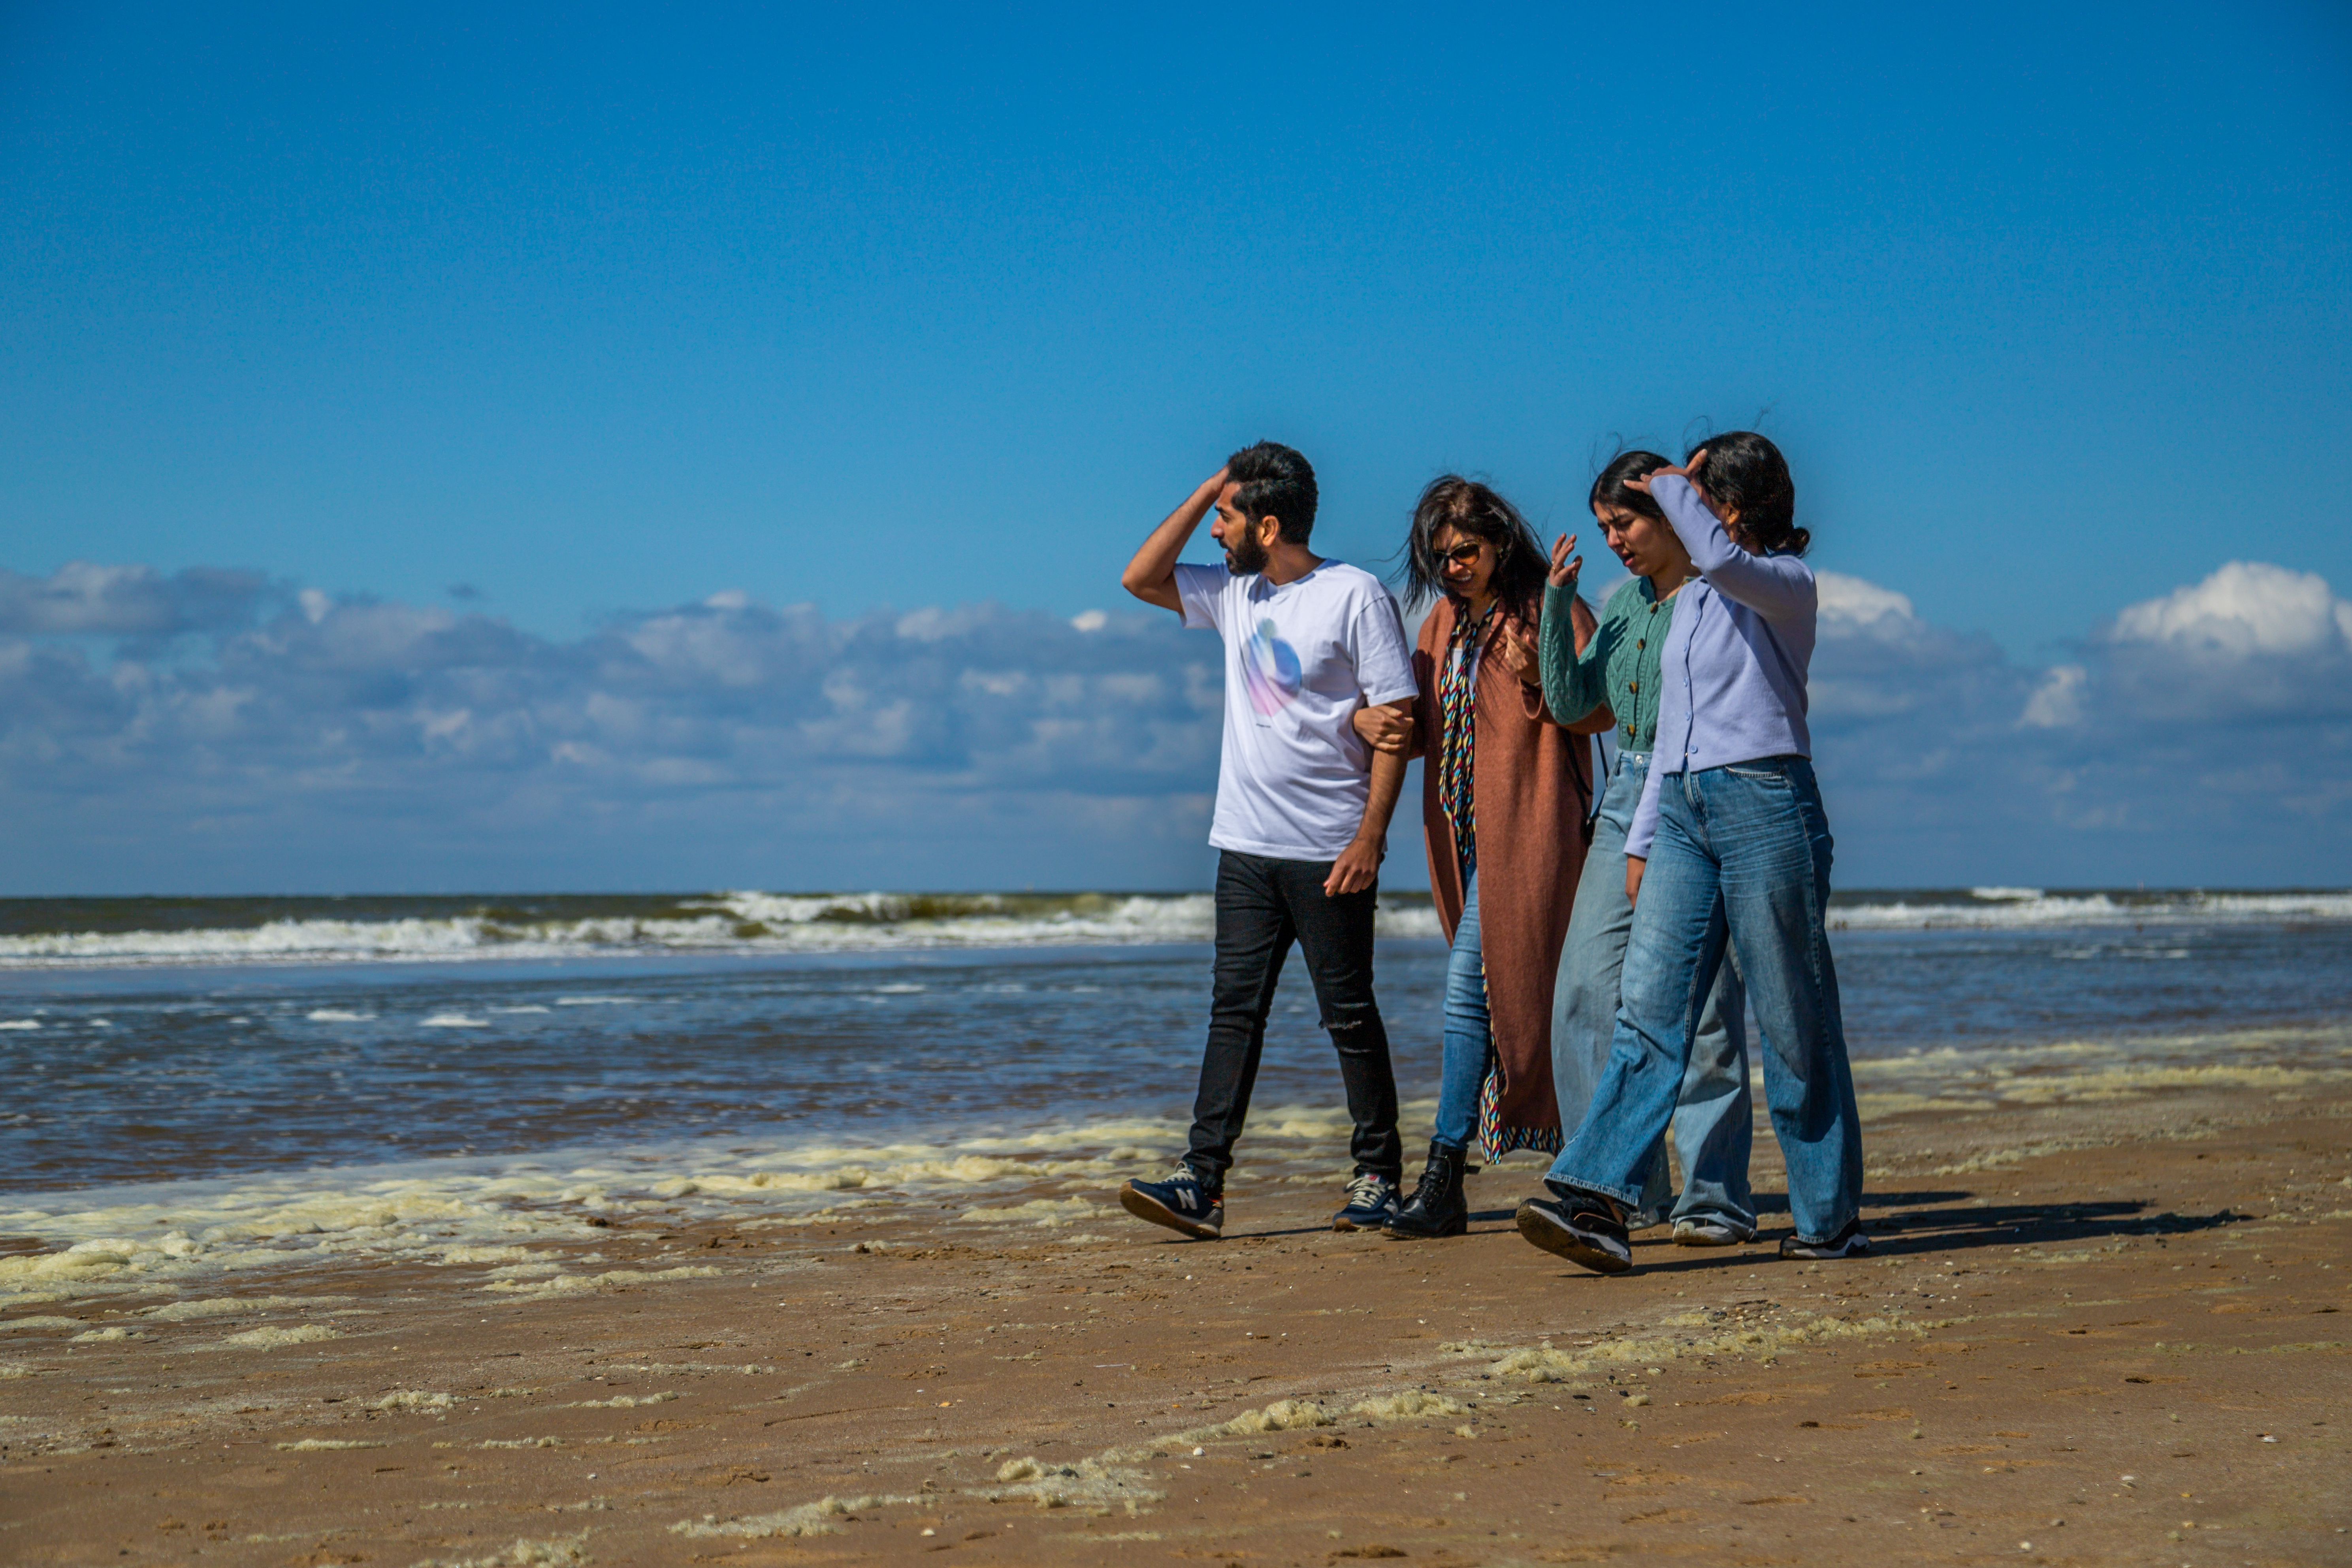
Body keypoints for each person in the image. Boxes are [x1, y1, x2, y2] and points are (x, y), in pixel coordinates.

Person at [1518, 432, 1868, 1273]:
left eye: (1693, 485)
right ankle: (1600, 1197)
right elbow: (1671, 723)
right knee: (1647, 1007)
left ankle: (1828, 1219)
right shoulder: (1691, 603)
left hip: (1766, 804)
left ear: (1730, 506)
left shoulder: (1779, 583)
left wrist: (1664, 479)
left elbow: (1716, 553)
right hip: (1678, 809)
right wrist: (1643, 836)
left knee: (1791, 1022)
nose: (1676, 493)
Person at [1115, 440, 1420, 1240]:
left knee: (1347, 1015)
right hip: (1244, 847)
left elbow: (1396, 724)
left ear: (1269, 523)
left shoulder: (1355, 595)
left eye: (1226, 516)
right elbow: (1139, 577)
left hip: (1330, 848)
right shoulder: (1232, 595)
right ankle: (1202, 1182)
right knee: (1233, 1012)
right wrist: (1209, 484)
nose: (1215, 530)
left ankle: (1380, 1176)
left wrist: (1370, 838)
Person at [1348, 477, 1599, 1240]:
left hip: (1530, 833)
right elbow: (1423, 728)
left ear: (1498, 543)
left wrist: (1539, 673)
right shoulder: (1439, 626)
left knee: (1471, 988)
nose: (1454, 566)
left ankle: (1444, 1175)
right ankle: (1594, 1166)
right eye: (1441, 555)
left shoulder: (1544, 608)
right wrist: (1365, 718)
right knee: (1529, 1002)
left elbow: (1596, 706)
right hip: (1458, 840)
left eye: (1466, 551)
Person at [1536, 451, 1757, 1247]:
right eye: (1604, 528)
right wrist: (1557, 603)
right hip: (1625, 791)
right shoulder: (1622, 601)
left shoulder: (1720, 592)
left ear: (1668, 514)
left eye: (1624, 522)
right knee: (1585, 997)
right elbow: (1572, 706)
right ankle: (1620, 1186)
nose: (1614, 540)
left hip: (1699, 791)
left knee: (1702, 1012)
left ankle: (1715, 1199)